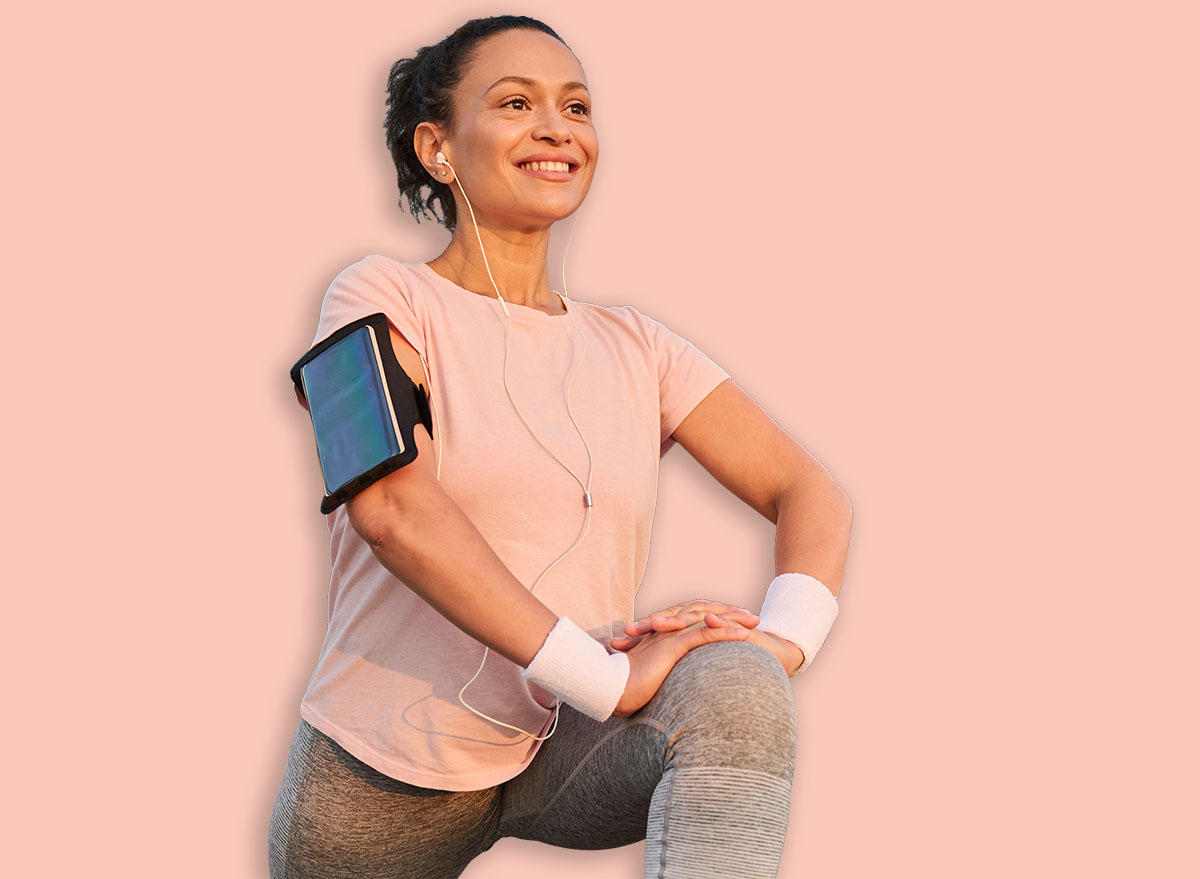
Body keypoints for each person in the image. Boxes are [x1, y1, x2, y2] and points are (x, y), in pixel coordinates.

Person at [269, 15, 852, 879]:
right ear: (438, 147)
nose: (558, 129)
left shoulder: (638, 345)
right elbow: (391, 510)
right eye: (516, 103)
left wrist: (781, 644)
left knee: (736, 685)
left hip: (559, 743)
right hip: (380, 781)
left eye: (576, 107)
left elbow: (811, 492)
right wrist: (609, 678)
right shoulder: (374, 295)